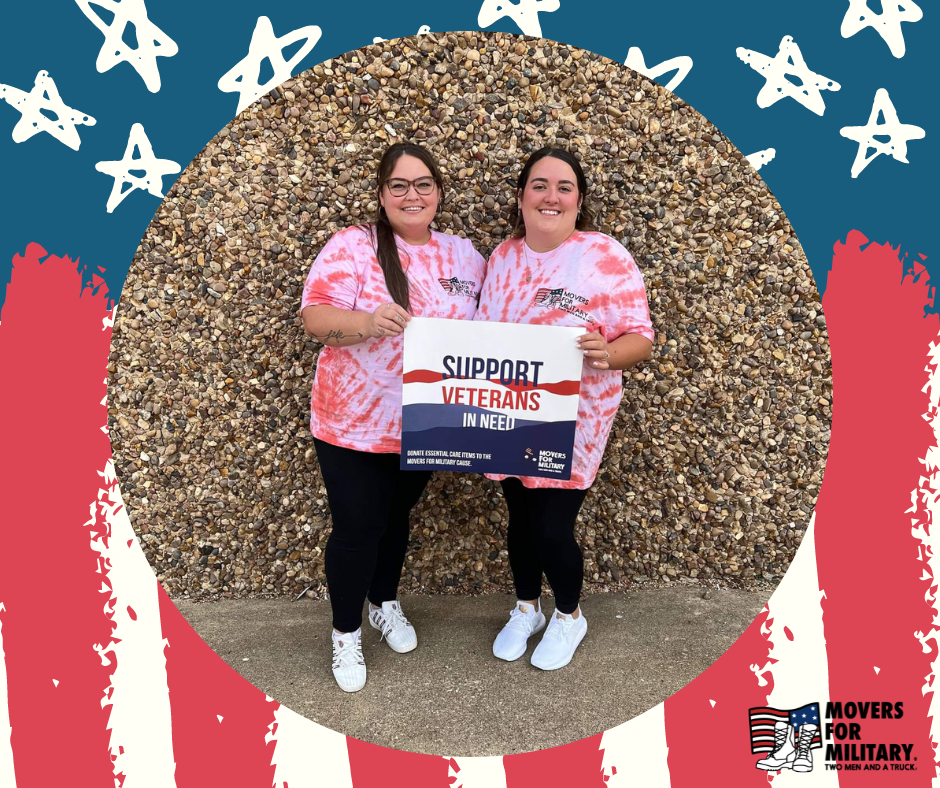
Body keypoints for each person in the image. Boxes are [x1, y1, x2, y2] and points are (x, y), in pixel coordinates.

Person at [300, 142, 485, 692]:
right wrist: (365, 322)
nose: (412, 194)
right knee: (358, 529)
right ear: (382, 195)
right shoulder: (353, 247)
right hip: (352, 422)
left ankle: (383, 602)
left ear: (439, 192)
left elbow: (492, 326)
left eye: (423, 183)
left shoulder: (463, 255)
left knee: (396, 520)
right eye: (399, 185)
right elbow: (315, 319)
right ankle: (345, 633)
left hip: (427, 424)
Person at [475, 146, 654, 670]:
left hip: (576, 418)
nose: (550, 196)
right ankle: (527, 606)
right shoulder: (503, 257)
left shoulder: (604, 256)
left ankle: (570, 615)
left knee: (552, 526)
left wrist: (607, 352)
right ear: (521, 196)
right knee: (518, 516)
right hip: (508, 410)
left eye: (564, 187)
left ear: (578, 202)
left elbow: (640, 339)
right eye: (539, 185)